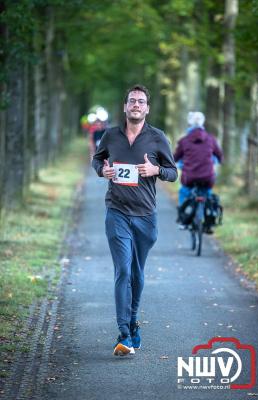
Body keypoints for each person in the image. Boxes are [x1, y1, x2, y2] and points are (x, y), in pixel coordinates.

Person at [92, 84, 177, 356]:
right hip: (116, 212)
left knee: (137, 273)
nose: (136, 105)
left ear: (147, 108)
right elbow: (97, 160)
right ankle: (124, 335)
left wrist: (155, 169)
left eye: (141, 101)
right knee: (123, 271)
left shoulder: (157, 138)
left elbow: (173, 172)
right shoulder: (110, 136)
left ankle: (133, 321)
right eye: (132, 101)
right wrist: (102, 170)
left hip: (146, 217)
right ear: (125, 107)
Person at [173, 111, 223, 229]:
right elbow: (220, 155)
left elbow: (175, 157)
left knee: (184, 192)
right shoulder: (211, 139)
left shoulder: (184, 141)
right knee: (207, 193)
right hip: (208, 177)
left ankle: (183, 220)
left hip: (189, 177)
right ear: (203, 124)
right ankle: (209, 220)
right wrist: (219, 161)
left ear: (190, 124)